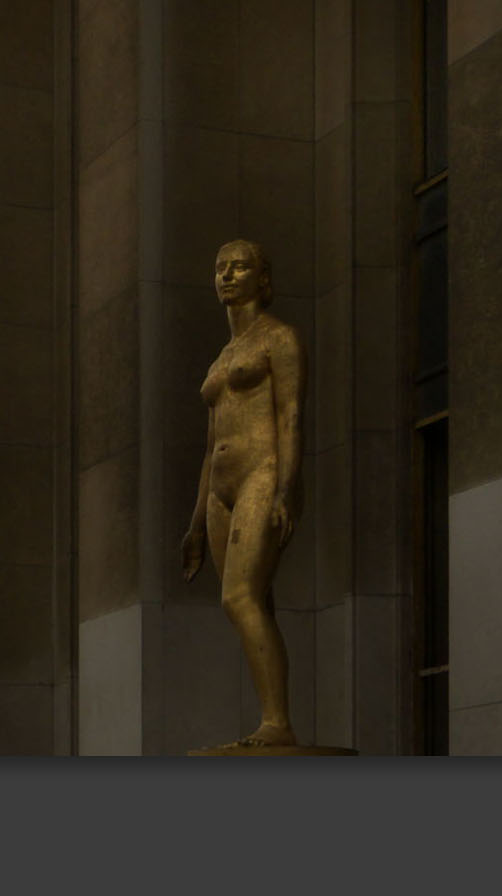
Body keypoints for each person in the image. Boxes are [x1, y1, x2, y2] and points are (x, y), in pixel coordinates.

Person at [181, 239, 305, 749]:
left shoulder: (278, 339)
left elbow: (291, 416)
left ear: (262, 277)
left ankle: (278, 723)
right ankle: (271, 716)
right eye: (220, 269)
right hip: (221, 486)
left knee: (240, 597)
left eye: (240, 267)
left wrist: (285, 489)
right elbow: (211, 446)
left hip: (262, 469)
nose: (227, 276)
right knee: (253, 603)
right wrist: (193, 522)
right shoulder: (223, 356)